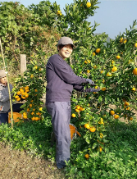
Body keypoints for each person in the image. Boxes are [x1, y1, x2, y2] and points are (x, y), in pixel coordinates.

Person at [45, 37, 100, 169]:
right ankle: (63, 164)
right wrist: (86, 79)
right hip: (58, 101)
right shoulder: (55, 59)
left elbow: (75, 84)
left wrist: (94, 89)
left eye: (70, 47)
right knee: (63, 133)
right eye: (65, 46)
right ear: (59, 47)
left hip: (64, 101)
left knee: (62, 129)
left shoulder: (66, 65)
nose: (68, 49)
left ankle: (59, 154)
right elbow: (70, 78)